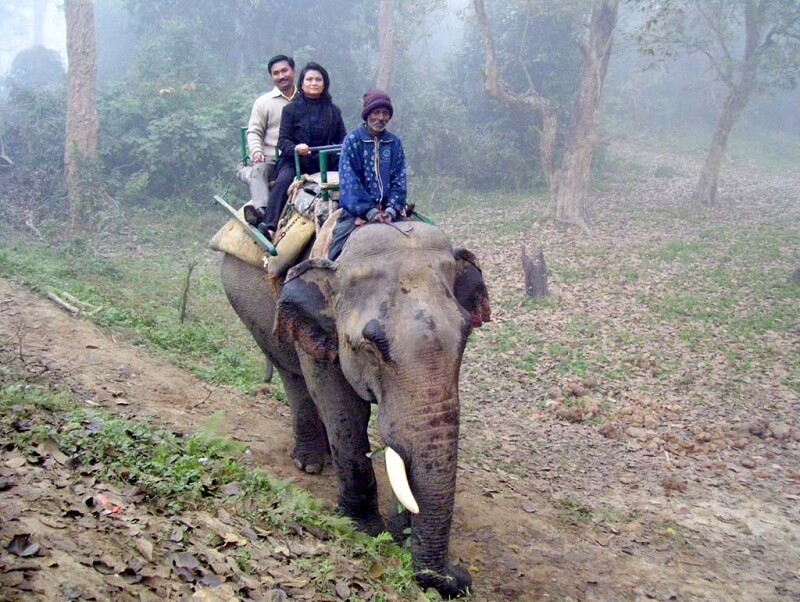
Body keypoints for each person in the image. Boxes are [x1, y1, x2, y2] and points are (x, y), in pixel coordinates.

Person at [258, 62, 347, 240]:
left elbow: (342, 139)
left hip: (325, 161)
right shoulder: (290, 110)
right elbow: (283, 141)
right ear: (302, 83)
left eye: (318, 79)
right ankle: (269, 226)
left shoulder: (334, 111)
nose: (314, 83)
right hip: (296, 162)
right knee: (283, 181)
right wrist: (296, 149)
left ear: (324, 83)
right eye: (309, 79)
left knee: (354, 175)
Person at [327, 89, 407, 260]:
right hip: (357, 212)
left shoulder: (394, 143)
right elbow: (350, 182)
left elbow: (399, 179)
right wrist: (369, 212)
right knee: (335, 253)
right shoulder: (352, 141)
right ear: (367, 114)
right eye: (376, 112)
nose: (381, 118)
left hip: (390, 211)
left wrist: (391, 209)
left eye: (385, 113)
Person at [242, 54, 297, 226]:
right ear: (271, 77)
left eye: (284, 71)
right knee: (259, 170)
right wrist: (257, 152)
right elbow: (254, 131)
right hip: (272, 158)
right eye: (276, 73)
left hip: (299, 156)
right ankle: (262, 212)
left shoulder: (305, 98)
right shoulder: (263, 102)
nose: (281, 76)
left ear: (293, 71)